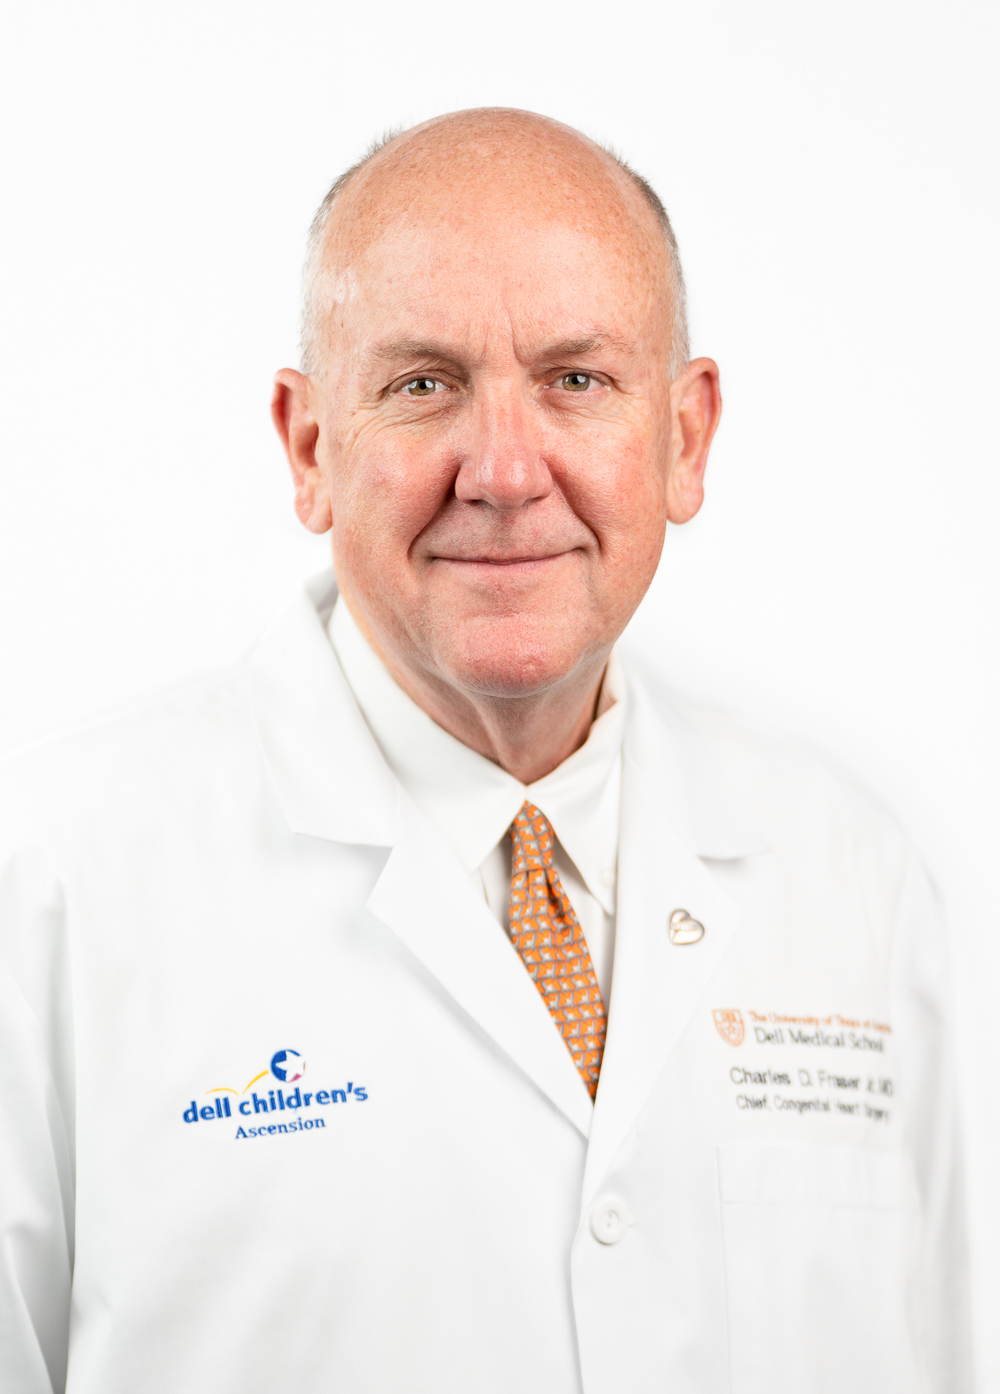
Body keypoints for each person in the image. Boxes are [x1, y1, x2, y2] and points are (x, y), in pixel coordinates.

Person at [0, 108, 969, 1394]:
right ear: (308, 449)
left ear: (685, 437)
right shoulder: (56, 878)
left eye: (577, 378)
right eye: (422, 383)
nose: (506, 471)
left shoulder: (853, 874)